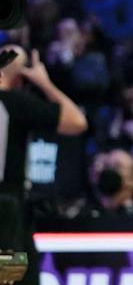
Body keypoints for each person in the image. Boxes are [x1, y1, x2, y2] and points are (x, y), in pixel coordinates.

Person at [0, 46, 87, 285]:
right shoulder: (14, 102)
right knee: (12, 279)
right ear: (21, 77)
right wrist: (44, 82)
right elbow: (76, 121)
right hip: (7, 213)